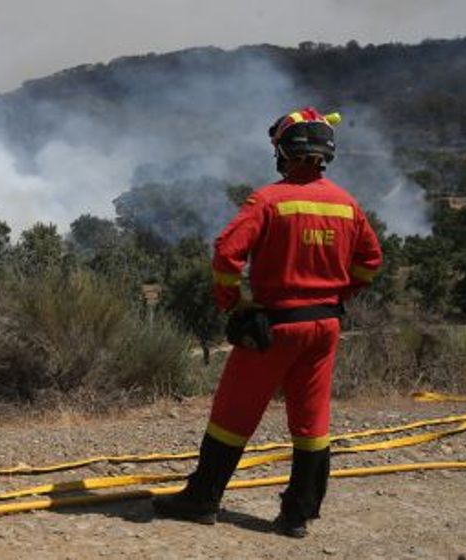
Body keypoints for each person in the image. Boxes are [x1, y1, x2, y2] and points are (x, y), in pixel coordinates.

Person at [152, 107, 383, 538]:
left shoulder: (270, 200)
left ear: (283, 152)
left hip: (273, 328)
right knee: (312, 420)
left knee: (233, 413)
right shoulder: (348, 205)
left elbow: (226, 254)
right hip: (325, 327)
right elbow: (371, 261)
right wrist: (340, 294)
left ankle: (202, 500)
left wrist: (235, 303)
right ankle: (298, 515)